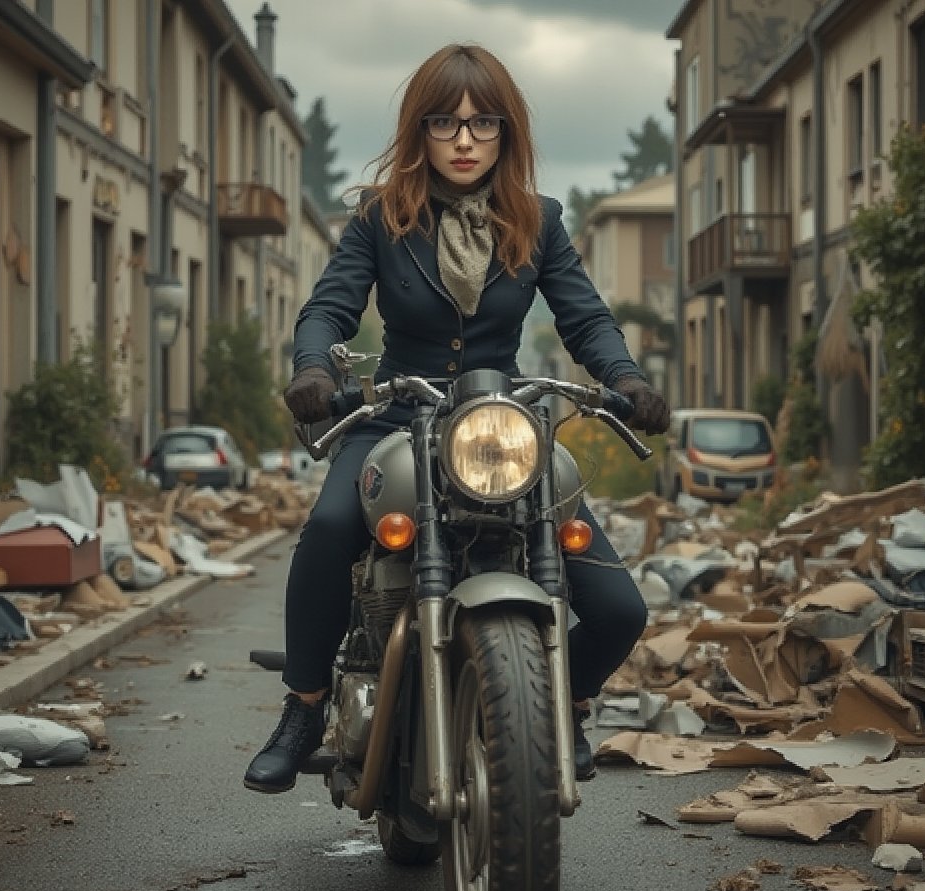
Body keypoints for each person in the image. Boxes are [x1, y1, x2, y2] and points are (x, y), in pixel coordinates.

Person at [244, 42, 669, 794]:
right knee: (331, 528)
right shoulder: (381, 217)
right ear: (421, 130)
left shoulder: (538, 222)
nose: (465, 140)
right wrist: (312, 366)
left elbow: (587, 320)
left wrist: (627, 377)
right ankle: (304, 707)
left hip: (500, 428)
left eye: (483, 123)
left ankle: (563, 704)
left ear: (507, 134)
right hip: (397, 418)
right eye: (446, 122)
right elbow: (328, 306)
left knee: (618, 608)